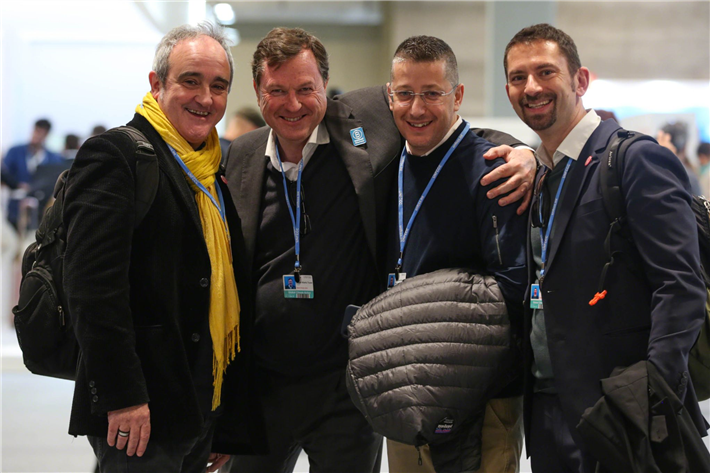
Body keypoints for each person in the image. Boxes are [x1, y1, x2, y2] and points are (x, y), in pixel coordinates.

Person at [223, 27, 535, 473]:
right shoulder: (242, 154)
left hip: (352, 389)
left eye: (306, 88)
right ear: (257, 90)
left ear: (325, 85)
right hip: (263, 386)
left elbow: (450, 126)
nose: (293, 104)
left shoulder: (360, 123)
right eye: (277, 90)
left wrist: (526, 154)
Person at [504, 23, 708, 472]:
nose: (531, 87)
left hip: (623, 412)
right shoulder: (540, 175)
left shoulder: (634, 160)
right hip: (549, 411)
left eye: (545, 72)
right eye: (518, 77)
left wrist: (651, 394)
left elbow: (680, 286)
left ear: (580, 81)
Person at [62, 22, 259, 472]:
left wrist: (223, 417)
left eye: (218, 86)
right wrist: (123, 396)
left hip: (199, 404)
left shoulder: (211, 166)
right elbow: (92, 290)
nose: (205, 98)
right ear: (157, 83)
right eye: (190, 81)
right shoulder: (116, 155)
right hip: (141, 408)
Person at [383, 35, 527, 473]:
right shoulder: (387, 163)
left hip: (479, 395)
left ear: (458, 95)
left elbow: (512, 289)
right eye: (405, 94)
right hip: (405, 386)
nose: (416, 109)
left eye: (432, 93)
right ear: (389, 96)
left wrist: (530, 154)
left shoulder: (494, 171)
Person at [2, 118, 63, 229]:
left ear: (47, 135)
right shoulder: (15, 151)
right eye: (36, 131)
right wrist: (17, 185)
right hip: (15, 206)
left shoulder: (54, 158)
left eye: (41, 133)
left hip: (41, 208)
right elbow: (4, 175)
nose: (37, 136)